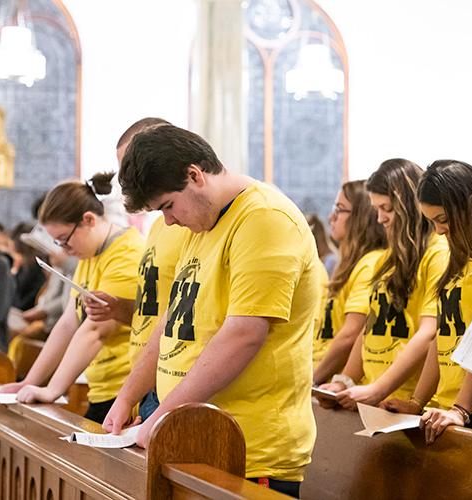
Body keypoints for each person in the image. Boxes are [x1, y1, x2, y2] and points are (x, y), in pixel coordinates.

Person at [101, 124, 321, 498]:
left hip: (248, 450)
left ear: (194, 175)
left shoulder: (264, 219)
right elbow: (170, 322)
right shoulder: (201, 225)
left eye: (168, 206)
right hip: (196, 437)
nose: (168, 221)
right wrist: (126, 397)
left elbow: (243, 335)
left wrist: (162, 417)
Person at [0, 173, 144, 424]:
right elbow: (68, 323)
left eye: (64, 240)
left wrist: (53, 389)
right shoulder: (90, 255)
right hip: (102, 386)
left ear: (88, 220)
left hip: (123, 389)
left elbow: (96, 330)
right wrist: (30, 382)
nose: (63, 249)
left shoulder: (126, 254)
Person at [319, 159, 448, 410]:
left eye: (386, 208)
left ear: (408, 206)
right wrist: (345, 380)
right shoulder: (386, 258)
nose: (380, 218)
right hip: (373, 393)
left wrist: (380, 389)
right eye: (376, 208)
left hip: (401, 397)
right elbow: (369, 327)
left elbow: (429, 333)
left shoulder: (437, 254)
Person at [84, 117, 189, 420]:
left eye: (132, 163)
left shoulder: (189, 223)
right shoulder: (159, 226)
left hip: (171, 382)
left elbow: (189, 315)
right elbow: (152, 311)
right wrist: (118, 308)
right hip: (145, 379)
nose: (127, 179)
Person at [415, 160, 472, 441]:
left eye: (444, 219)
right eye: (432, 222)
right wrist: (417, 401)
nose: (439, 231)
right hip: (447, 405)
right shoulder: (460, 256)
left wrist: (461, 409)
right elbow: (443, 336)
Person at [313, 180, 386, 384]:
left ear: (362, 217)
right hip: (325, 377)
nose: (331, 217)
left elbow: (352, 333)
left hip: (336, 383)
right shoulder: (347, 264)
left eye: (340, 209)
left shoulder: (370, 263)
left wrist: (314, 381)